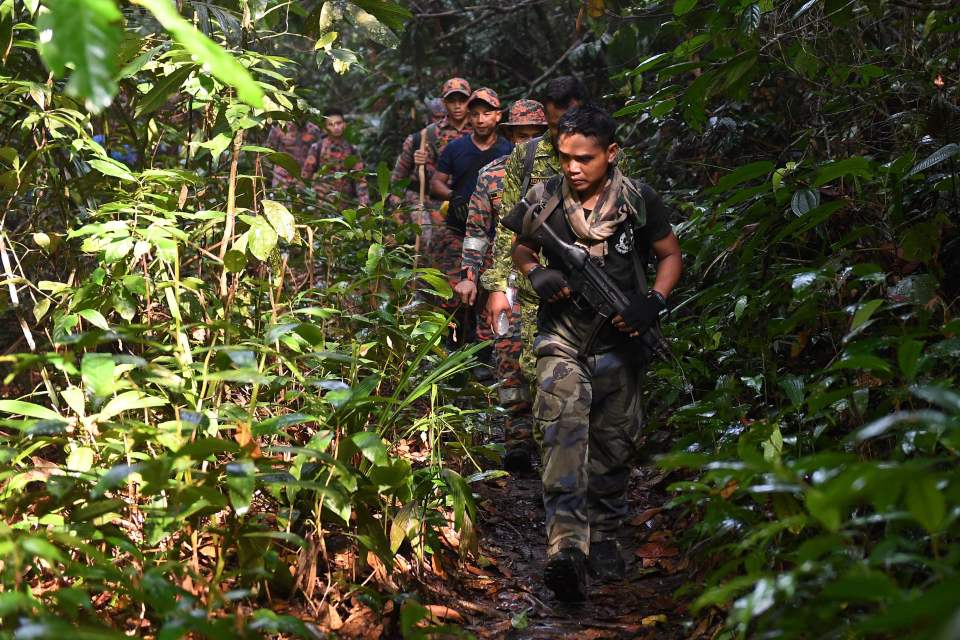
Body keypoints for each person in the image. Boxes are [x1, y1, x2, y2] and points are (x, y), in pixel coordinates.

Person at [509, 104, 682, 601]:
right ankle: (565, 546)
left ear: (611, 153)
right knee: (562, 431)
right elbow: (523, 245)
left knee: (613, 443)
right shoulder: (544, 197)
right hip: (562, 338)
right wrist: (533, 272)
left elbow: (670, 255)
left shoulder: (637, 199)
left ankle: (605, 534)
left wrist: (653, 301)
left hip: (621, 342)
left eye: (584, 158)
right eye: (564, 157)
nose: (572, 168)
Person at [480, 76, 590, 470]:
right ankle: (543, 458)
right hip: (530, 283)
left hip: (588, 286)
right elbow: (508, 231)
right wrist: (496, 287)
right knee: (528, 367)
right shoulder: (524, 160)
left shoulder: (604, 154)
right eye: (557, 123)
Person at [452, 99, 549, 471]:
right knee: (508, 359)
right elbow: (477, 231)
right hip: (505, 284)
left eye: (535, 135)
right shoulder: (493, 175)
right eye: (521, 136)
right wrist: (469, 276)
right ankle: (517, 440)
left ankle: (551, 441)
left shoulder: (563, 175)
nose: (528, 142)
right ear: (509, 136)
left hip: (551, 282)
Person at [431, 88, 513, 347]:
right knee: (455, 292)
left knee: (489, 293)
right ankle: (452, 343)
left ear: (498, 116)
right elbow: (436, 183)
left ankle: (483, 351)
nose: (480, 119)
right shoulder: (455, 148)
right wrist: (454, 197)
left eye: (486, 113)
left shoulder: (509, 150)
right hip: (458, 231)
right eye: (475, 114)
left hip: (496, 235)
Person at [301, 107, 369, 206]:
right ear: (325, 128)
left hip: (344, 204)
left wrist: (364, 204)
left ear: (345, 125)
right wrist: (302, 199)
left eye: (339, 123)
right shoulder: (317, 148)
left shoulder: (352, 150)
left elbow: (360, 179)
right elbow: (305, 175)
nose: (336, 127)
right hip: (321, 204)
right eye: (331, 124)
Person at [264, 114, 324, 188]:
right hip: (281, 177)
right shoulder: (281, 128)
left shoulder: (314, 130)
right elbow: (268, 152)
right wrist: (266, 176)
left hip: (304, 177)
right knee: (279, 198)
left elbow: (319, 154)